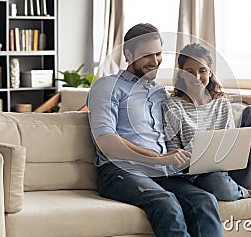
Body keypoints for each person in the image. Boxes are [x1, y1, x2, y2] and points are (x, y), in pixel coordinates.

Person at [87, 23, 223, 237]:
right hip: (121, 171)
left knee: (204, 201)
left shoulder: (159, 91)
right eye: (146, 55)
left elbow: (193, 98)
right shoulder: (107, 86)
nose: (155, 61)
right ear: (128, 54)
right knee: (166, 203)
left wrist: (238, 98)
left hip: (161, 172)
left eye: (158, 53)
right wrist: (159, 158)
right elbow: (104, 140)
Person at [162, 43, 251, 211]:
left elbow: (230, 142)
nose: (197, 78)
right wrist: (189, 159)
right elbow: (173, 154)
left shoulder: (221, 102)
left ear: (210, 72)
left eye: (202, 71)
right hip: (202, 176)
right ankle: (250, 193)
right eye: (190, 72)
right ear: (182, 74)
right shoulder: (172, 106)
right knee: (218, 183)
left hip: (233, 171)